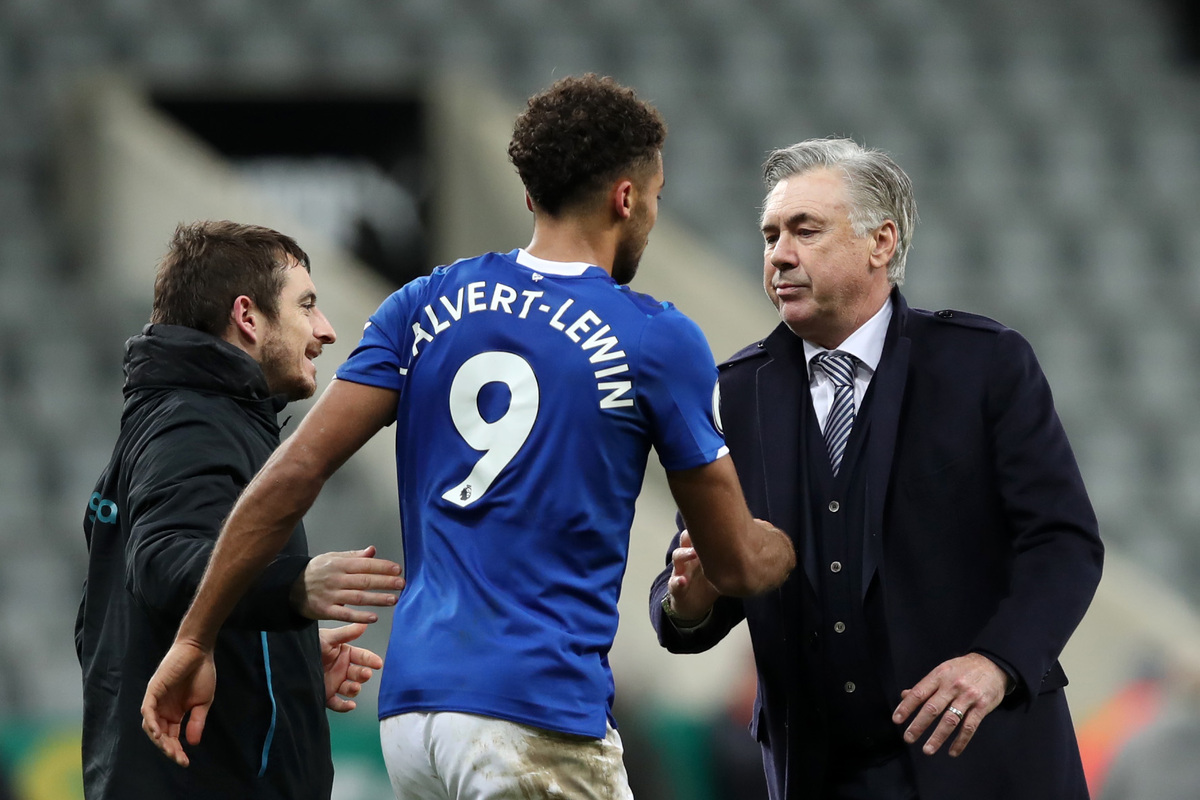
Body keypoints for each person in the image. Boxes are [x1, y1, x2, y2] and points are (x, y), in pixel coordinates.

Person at [139, 75, 796, 799]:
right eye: (657, 197)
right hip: (535, 714)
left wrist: (195, 638)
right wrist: (787, 545)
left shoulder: (421, 305)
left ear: (529, 197)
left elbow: (293, 474)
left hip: (415, 719)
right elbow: (733, 562)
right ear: (627, 197)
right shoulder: (654, 336)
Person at [650, 137, 1104, 800]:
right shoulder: (735, 394)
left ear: (881, 242)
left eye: (806, 230)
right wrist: (688, 602)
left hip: (988, 765)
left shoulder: (984, 365)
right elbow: (685, 590)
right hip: (823, 775)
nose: (779, 253)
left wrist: (995, 663)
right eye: (770, 234)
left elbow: (1063, 542)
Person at [76, 221, 404, 799]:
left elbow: (122, 626)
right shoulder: (193, 420)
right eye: (307, 306)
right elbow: (163, 561)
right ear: (248, 318)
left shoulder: (188, 416)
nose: (326, 331)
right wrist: (293, 587)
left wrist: (283, 655)